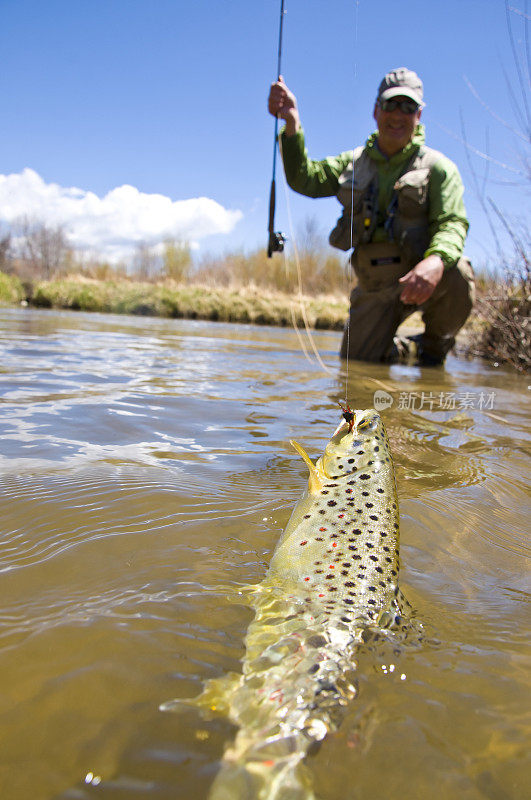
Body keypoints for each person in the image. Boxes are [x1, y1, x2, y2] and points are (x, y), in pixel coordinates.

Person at [268, 68, 475, 366]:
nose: (398, 114)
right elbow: (305, 179)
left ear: (419, 116)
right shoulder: (351, 163)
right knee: (355, 369)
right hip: (373, 288)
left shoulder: (440, 168)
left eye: (408, 107)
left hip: (422, 278)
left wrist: (436, 261)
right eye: (391, 104)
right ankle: (404, 350)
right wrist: (291, 123)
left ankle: (433, 348)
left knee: (458, 274)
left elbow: (452, 223)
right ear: (376, 110)